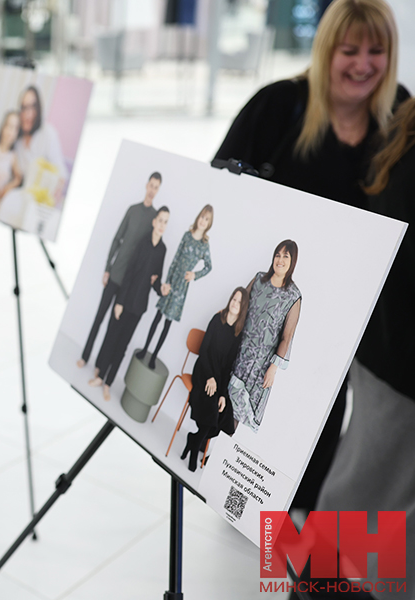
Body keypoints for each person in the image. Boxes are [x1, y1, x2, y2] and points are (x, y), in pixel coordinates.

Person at [213, 0, 407, 510]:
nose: (363, 64)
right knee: (258, 418)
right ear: (325, 51)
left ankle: (295, 524)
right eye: (349, 50)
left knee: (322, 424)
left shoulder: (400, 116)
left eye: (377, 51)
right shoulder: (278, 106)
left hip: (354, 314)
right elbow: (221, 183)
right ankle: (246, 507)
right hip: (273, 305)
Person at [307, 97, 415, 599]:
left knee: (358, 506)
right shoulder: (404, 123)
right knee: (356, 515)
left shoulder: (402, 117)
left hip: (383, 351)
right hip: (395, 364)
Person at [78, 172, 162, 369]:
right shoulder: (132, 210)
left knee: (112, 327)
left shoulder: (154, 219)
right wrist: (108, 268)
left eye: (156, 187)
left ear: (158, 191)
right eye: (151, 185)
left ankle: (99, 366)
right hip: (115, 274)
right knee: (99, 317)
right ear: (146, 185)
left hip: (128, 285)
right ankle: (85, 356)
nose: (152, 190)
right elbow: (117, 239)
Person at [89, 206, 172, 401]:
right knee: (111, 338)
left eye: (165, 222)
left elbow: (155, 280)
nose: (162, 225)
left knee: (123, 346)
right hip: (125, 301)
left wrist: (161, 289)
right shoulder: (142, 243)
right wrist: (119, 302)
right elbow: (128, 273)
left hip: (139, 307)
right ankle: (100, 377)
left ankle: (108, 383)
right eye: (160, 220)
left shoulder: (162, 250)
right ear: (154, 222)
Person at [227, 240, 302, 433]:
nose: (280, 259)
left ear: (292, 261)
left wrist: (273, 369)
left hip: (259, 366)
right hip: (238, 350)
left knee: (238, 412)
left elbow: (287, 337)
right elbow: (240, 306)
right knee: (222, 398)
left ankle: (215, 455)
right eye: (278, 254)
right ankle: (204, 448)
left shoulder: (293, 296)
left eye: (286, 256)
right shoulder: (259, 279)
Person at [180, 287, 248, 473]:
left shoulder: (238, 333)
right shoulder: (217, 320)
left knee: (224, 417)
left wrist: (223, 394)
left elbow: (228, 367)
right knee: (211, 410)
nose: (234, 303)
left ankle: (194, 439)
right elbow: (204, 351)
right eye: (233, 299)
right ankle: (195, 447)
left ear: (243, 307)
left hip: (219, 378)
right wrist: (210, 377)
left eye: (238, 301)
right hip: (204, 370)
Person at [139, 204, 214, 369]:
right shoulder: (187, 236)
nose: (203, 221)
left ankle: (154, 356)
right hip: (172, 282)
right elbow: (175, 260)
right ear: (198, 217)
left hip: (182, 288)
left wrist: (194, 275)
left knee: (167, 322)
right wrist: (166, 282)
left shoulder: (204, 245)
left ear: (209, 223)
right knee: (157, 316)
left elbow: (209, 266)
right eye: (202, 216)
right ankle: (145, 350)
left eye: (206, 219)